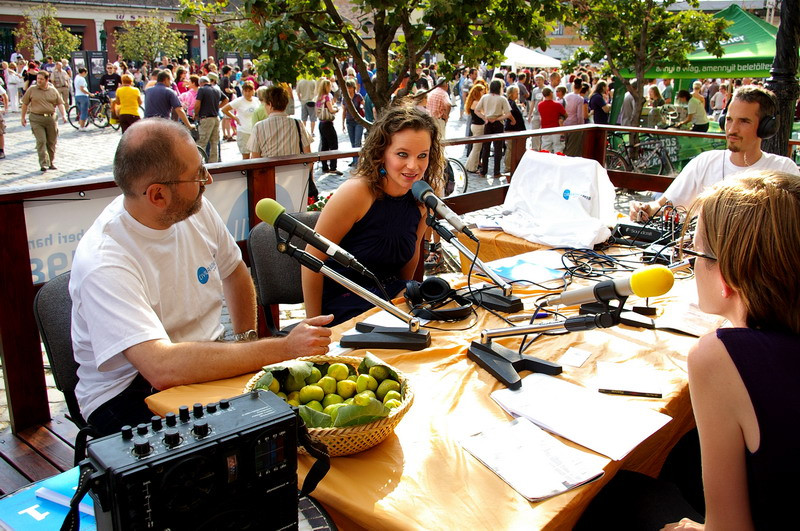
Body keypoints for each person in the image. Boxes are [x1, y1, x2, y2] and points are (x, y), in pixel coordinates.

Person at [68, 119, 333, 435]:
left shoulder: (192, 207)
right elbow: (161, 368)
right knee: (260, 438)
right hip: (127, 393)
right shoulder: (105, 261)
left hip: (198, 361)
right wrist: (281, 348)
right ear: (157, 195)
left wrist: (245, 341)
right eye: (196, 175)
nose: (207, 179)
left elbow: (234, 271)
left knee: (301, 414)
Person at [301, 104, 445, 326]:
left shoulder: (420, 198)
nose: (413, 165)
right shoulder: (357, 192)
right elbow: (311, 261)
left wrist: (410, 298)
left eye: (422, 155)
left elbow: (409, 259)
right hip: (344, 305)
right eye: (402, 154)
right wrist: (313, 326)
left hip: (388, 303)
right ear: (381, 152)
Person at [630, 85, 800, 220]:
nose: (732, 129)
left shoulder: (783, 169)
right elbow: (662, 205)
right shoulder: (705, 162)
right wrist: (643, 208)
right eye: (729, 120)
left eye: (744, 121)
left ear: (766, 127)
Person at [20, 71, 67, 171]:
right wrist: (22, 117)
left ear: (46, 80)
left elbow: (60, 103)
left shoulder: (53, 90)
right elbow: (24, 104)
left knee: (51, 142)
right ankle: (43, 163)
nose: (39, 81)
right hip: (36, 118)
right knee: (41, 141)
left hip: (51, 119)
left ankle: (51, 162)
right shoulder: (32, 89)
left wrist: (64, 115)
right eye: (38, 79)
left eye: (41, 79)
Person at [247, 85, 311, 159]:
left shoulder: (258, 127)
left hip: (270, 169)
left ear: (270, 105)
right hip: (295, 169)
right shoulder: (298, 123)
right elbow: (308, 153)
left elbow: (255, 158)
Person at [475, 79, 513, 178]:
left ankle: (484, 171)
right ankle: (496, 172)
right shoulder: (502, 99)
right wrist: (498, 118)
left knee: (486, 148)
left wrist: (485, 117)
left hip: (488, 123)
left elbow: (477, 110)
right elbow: (508, 113)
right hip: (498, 124)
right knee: (498, 148)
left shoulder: (485, 97)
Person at [221, 80, 259, 159]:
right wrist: (235, 118)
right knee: (246, 156)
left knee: (256, 156)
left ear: (253, 91)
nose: (248, 93)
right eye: (246, 91)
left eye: (250, 91)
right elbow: (224, 109)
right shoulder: (239, 101)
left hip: (255, 131)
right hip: (244, 131)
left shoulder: (256, 100)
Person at [194, 75, 228, 163]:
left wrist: (196, 114)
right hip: (215, 117)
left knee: (202, 142)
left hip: (206, 118)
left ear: (200, 83)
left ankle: (198, 162)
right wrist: (217, 107)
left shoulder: (201, 90)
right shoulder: (216, 89)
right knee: (214, 142)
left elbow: (197, 104)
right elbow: (226, 99)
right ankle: (214, 162)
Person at [316, 78, 341, 175]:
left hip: (321, 123)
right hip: (327, 123)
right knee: (334, 145)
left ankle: (325, 166)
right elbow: (331, 110)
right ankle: (333, 167)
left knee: (324, 145)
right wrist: (336, 109)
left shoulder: (319, 97)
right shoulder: (326, 97)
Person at [464, 83, 487, 173]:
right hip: (478, 126)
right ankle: (472, 167)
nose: (484, 93)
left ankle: (470, 165)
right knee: (477, 148)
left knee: (476, 147)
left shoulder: (473, 101)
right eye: (482, 91)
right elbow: (482, 113)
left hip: (475, 125)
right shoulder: (476, 102)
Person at [342, 78, 365, 166]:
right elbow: (344, 111)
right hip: (349, 121)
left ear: (353, 87)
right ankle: (354, 160)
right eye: (347, 87)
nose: (348, 89)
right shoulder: (345, 98)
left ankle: (358, 161)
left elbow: (364, 104)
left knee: (357, 142)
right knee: (352, 142)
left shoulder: (358, 96)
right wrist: (343, 123)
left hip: (358, 121)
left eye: (350, 87)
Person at [503, 85, 526, 172]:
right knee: (510, 149)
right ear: (512, 93)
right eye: (517, 92)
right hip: (512, 129)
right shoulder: (511, 103)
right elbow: (510, 114)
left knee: (512, 149)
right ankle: (508, 167)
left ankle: (511, 166)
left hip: (515, 129)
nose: (518, 94)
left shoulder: (512, 102)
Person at [537, 86, 566, 153]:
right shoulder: (557, 105)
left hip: (545, 130)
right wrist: (561, 119)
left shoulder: (540, 105)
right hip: (556, 129)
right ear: (550, 93)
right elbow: (565, 114)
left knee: (545, 149)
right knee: (558, 148)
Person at [563, 78, 586, 157]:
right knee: (572, 147)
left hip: (565, 123)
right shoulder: (580, 99)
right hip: (575, 125)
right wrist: (581, 127)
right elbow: (580, 115)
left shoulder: (566, 96)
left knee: (565, 145)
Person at [73, 67, 91, 131]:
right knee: (84, 112)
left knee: (81, 111)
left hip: (77, 95)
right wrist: (89, 93)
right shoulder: (81, 79)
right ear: (83, 72)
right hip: (83, 96)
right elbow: (82, 89)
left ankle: (80, 123)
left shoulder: (76, 77)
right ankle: (82, 127)